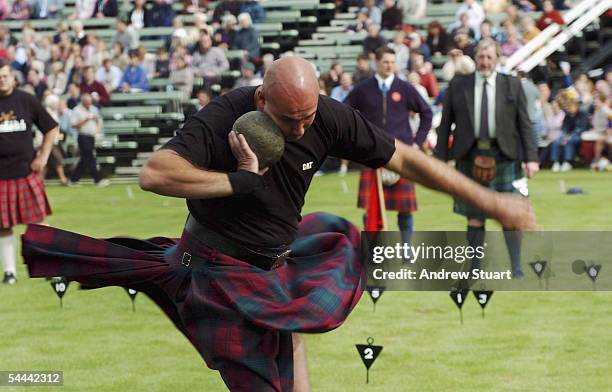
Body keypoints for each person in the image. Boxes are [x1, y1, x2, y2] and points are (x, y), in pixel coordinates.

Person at [23, 56, 535, 390]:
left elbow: (406, 159)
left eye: (309, 117)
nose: (302, 128)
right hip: (214, 274)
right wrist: (237, 182)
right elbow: (155, 173)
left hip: (273, 264)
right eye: (291, 119)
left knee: (307, 306)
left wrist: (493, 203)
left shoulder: (324, 115)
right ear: (262, 99)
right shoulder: (225, 115)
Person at [435, 38, 539, 278]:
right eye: (481, 57)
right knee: (474, 216)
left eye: (489, 57)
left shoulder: (512, 84)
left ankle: (516, 267)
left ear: (497, 59)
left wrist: (531, 158)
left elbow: (524, 123)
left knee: (511, 215)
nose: (484, 62)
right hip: (469, 156)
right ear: (475, 58)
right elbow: (445, 125)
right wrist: (440, 159)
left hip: (505, 156)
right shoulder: (459, 85)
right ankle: (474, 269)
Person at [345, 46, 432, 249]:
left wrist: (417, 143)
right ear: (376, 62)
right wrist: (357, 143)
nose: (389, 66)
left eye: (393, 62)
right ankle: (374, 252)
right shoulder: (362, 89)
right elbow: (345, 113)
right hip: (372, 156)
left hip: (401, 155)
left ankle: (407, 251)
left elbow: (426, 113)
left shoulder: (405, 88)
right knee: (371, 209)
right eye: (385, 62)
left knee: (405, 210)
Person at [0, 60, 59, 284]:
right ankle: (10, 272)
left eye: (6, 75)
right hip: (1, 176)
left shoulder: (26, 100)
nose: (2, 80)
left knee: (38, 223)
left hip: (25, 172)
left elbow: (51, 128)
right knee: (2, 226)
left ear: (13, 78)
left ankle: (50, 267)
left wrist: (43, 157)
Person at [68, 92, 109, 186]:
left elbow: (99, 120)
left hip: (91, 137)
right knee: (91, 157)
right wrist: (86, 119)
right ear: (82, 101)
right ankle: (98, 179)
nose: (88, 103)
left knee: (84, 159)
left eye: (90, 101)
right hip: (83, 136)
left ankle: (73, 180)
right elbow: (73, 125)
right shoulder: (77, 110)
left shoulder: (94, 109)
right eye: (86, 101)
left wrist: (97, 130)